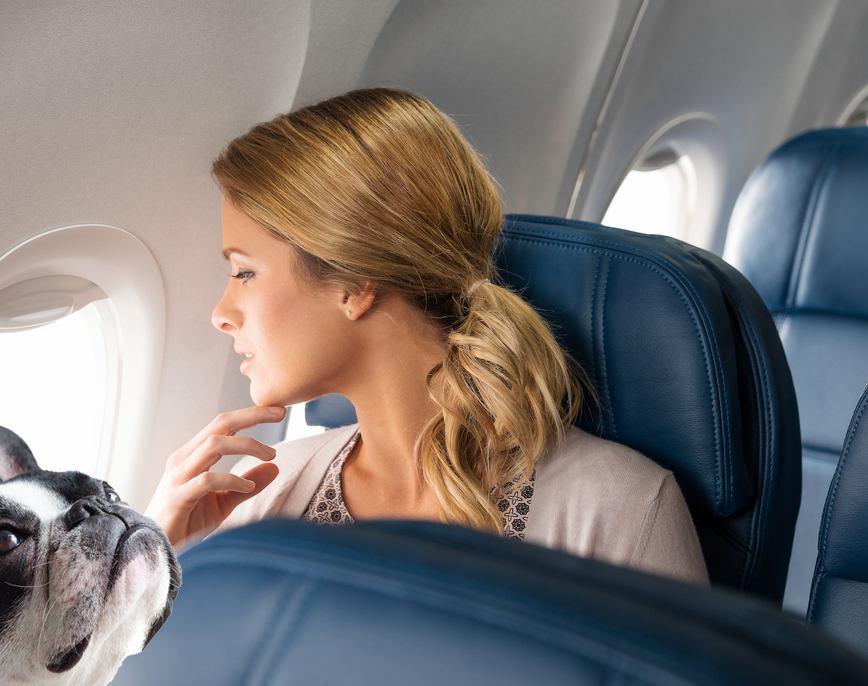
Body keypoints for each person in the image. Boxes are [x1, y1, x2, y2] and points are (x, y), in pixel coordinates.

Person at [144, 88, 706, 583]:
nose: (221, 313)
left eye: (245, 272)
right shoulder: (259, 494)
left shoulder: (621, 512)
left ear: (355, 284)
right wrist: (160, 559)